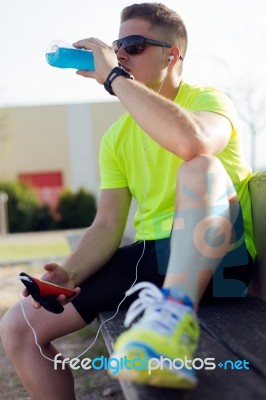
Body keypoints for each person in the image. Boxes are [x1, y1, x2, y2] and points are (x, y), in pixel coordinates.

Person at [0, 2, 256, 398]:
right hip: (150, 258)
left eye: (134, 45)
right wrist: (69, 275)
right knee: (19, 327)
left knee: (199, 166)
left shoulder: (209, 101)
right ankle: (165, 317)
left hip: (221, 257)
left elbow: (193, 143)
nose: (119, 54)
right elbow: (106, 226)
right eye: (117, 46)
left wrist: (115, 76)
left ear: (171, 55)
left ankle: (172, 322)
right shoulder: (116, 138)